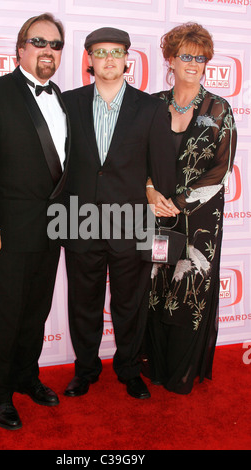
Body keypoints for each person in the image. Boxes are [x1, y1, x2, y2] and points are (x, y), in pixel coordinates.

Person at [0, 13, 70, 430]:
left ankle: (27, 377)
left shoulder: (61, 96)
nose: (48, 50)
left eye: (56, 44)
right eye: (39, 42)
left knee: (37, 311)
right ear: (21, 47)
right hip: (7, 230)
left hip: (54, 228)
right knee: (7, 313)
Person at [62, 27, 177, 400]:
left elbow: (162, 170)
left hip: (132, 224)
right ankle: (85, 370)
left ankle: (129, 369)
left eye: (116, 52)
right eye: (100, 52)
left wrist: (155, 194)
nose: (109, 59)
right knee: (84, 304)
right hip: (80, 221)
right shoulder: (68, 103)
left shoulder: (149, 107)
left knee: (130, 304)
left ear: (127, 59)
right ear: (90, 60)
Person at [142, 22, 237, 394]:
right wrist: (150, 191)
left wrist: (178, 203)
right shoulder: (151, 105)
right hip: (155, 213)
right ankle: (155, 367)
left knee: (189, 286)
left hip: (198, 219)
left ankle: (181, 373)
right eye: (186, 55)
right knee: (156, 283)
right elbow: (136, 157)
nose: (194, 63)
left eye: (200, 57)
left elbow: (221, 170)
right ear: (170, 59)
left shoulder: (219, 109)